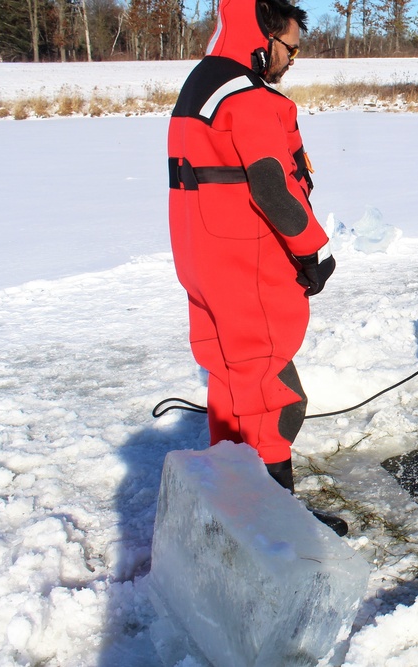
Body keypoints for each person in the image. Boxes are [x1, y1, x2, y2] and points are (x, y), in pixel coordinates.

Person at [168, 0, 337, 504]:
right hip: (248, 264)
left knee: (229, 381)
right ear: (262, 39)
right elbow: (272, 185)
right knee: (270, 397)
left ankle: (233, 504)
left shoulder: (200, 85)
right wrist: (312, 252)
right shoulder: (249, 97)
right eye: (289, 48)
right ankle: (275, 526)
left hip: (203, 262)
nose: (291, 61)